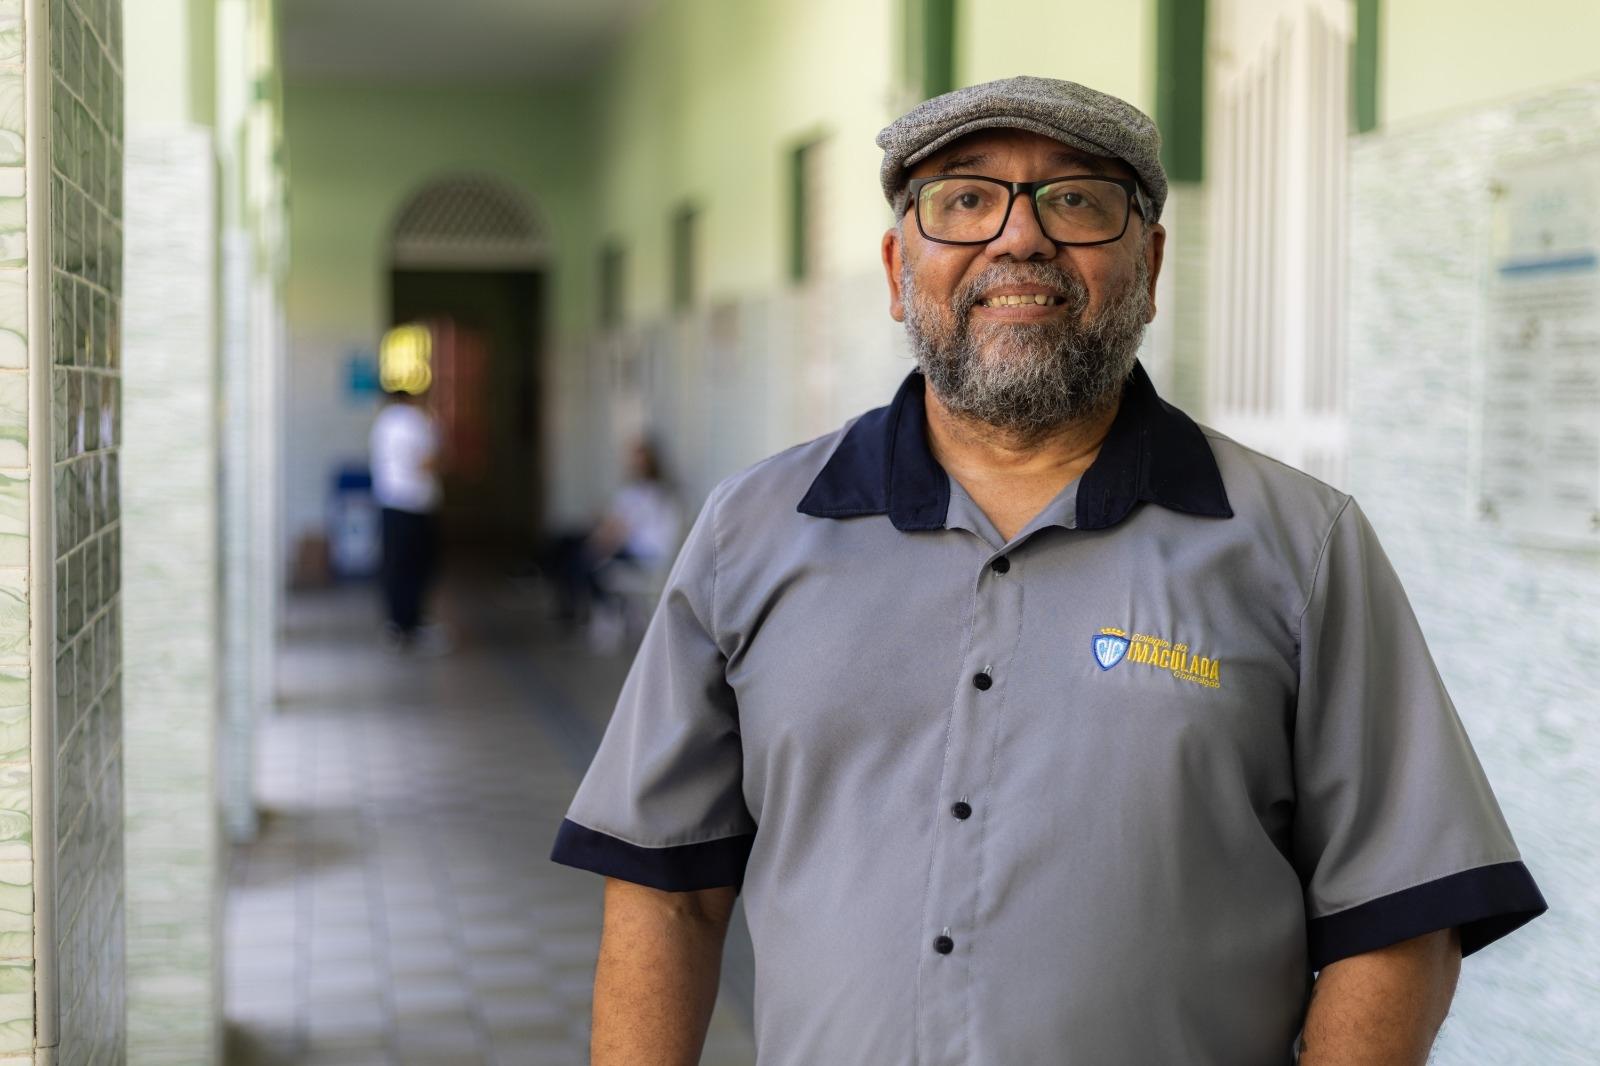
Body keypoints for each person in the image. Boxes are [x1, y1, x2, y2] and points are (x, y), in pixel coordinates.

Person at [551, 76, 1546, 1066]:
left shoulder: (1298, 543)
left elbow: (1400, 915)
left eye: (1076, 199)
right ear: (900, 267)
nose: (1018, 239)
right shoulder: (753, 531)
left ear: (1149, 264)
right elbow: (666, 891)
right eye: (964, 199)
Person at [544, 436, 682, 627]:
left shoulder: (652, 494)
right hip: (630, 547)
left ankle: (581, 613)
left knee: (584, 558)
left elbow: (619, 529)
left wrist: (597, 545)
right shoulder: (637, 491)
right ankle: (570, 607)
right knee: (566, 542)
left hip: (643, 555)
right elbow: (614, 523)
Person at [370, 386, 441, 651]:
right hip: (415, 503)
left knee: (395, 566)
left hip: (390, 502)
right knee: (417, 566)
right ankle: (412, 622)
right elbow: (427, 461)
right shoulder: (416, 421)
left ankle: (396, 625)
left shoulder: (382, 423)